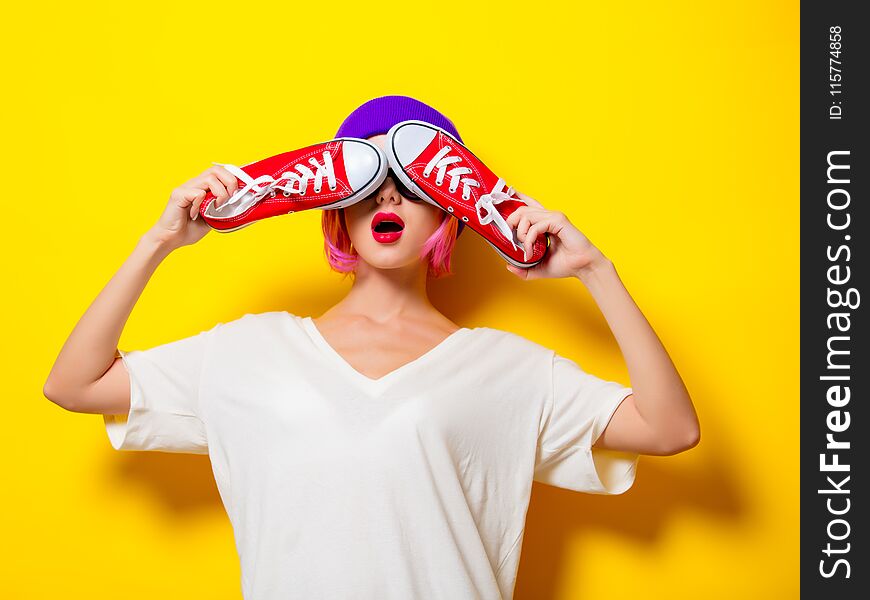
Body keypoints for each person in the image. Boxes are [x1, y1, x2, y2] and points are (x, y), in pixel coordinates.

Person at [43, 95, 701, 600]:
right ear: (335, 207)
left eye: (414, 181)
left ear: (451, 212)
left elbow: (670, 428)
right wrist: (158, 242)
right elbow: (74, 384)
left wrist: (596, 271)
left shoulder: (509, 369)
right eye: (367, 178)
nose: (388, 194)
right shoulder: (248, 352)